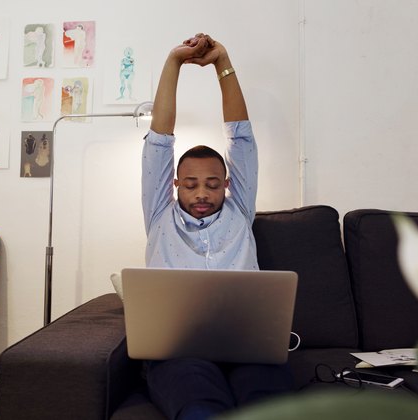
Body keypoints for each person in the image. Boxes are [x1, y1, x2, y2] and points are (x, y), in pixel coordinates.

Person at [141, 33, 293, 420]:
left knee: (270, 406)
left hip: (247, 347)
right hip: (179, 352)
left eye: (212, 184)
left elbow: (241, 136)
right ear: (175, 185)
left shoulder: (239, 209)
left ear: (227, 184)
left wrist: (221, 62)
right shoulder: (161, 215)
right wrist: (174, 62)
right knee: (199, 408)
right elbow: (159, 141)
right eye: (190, 185)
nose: (202, 193)